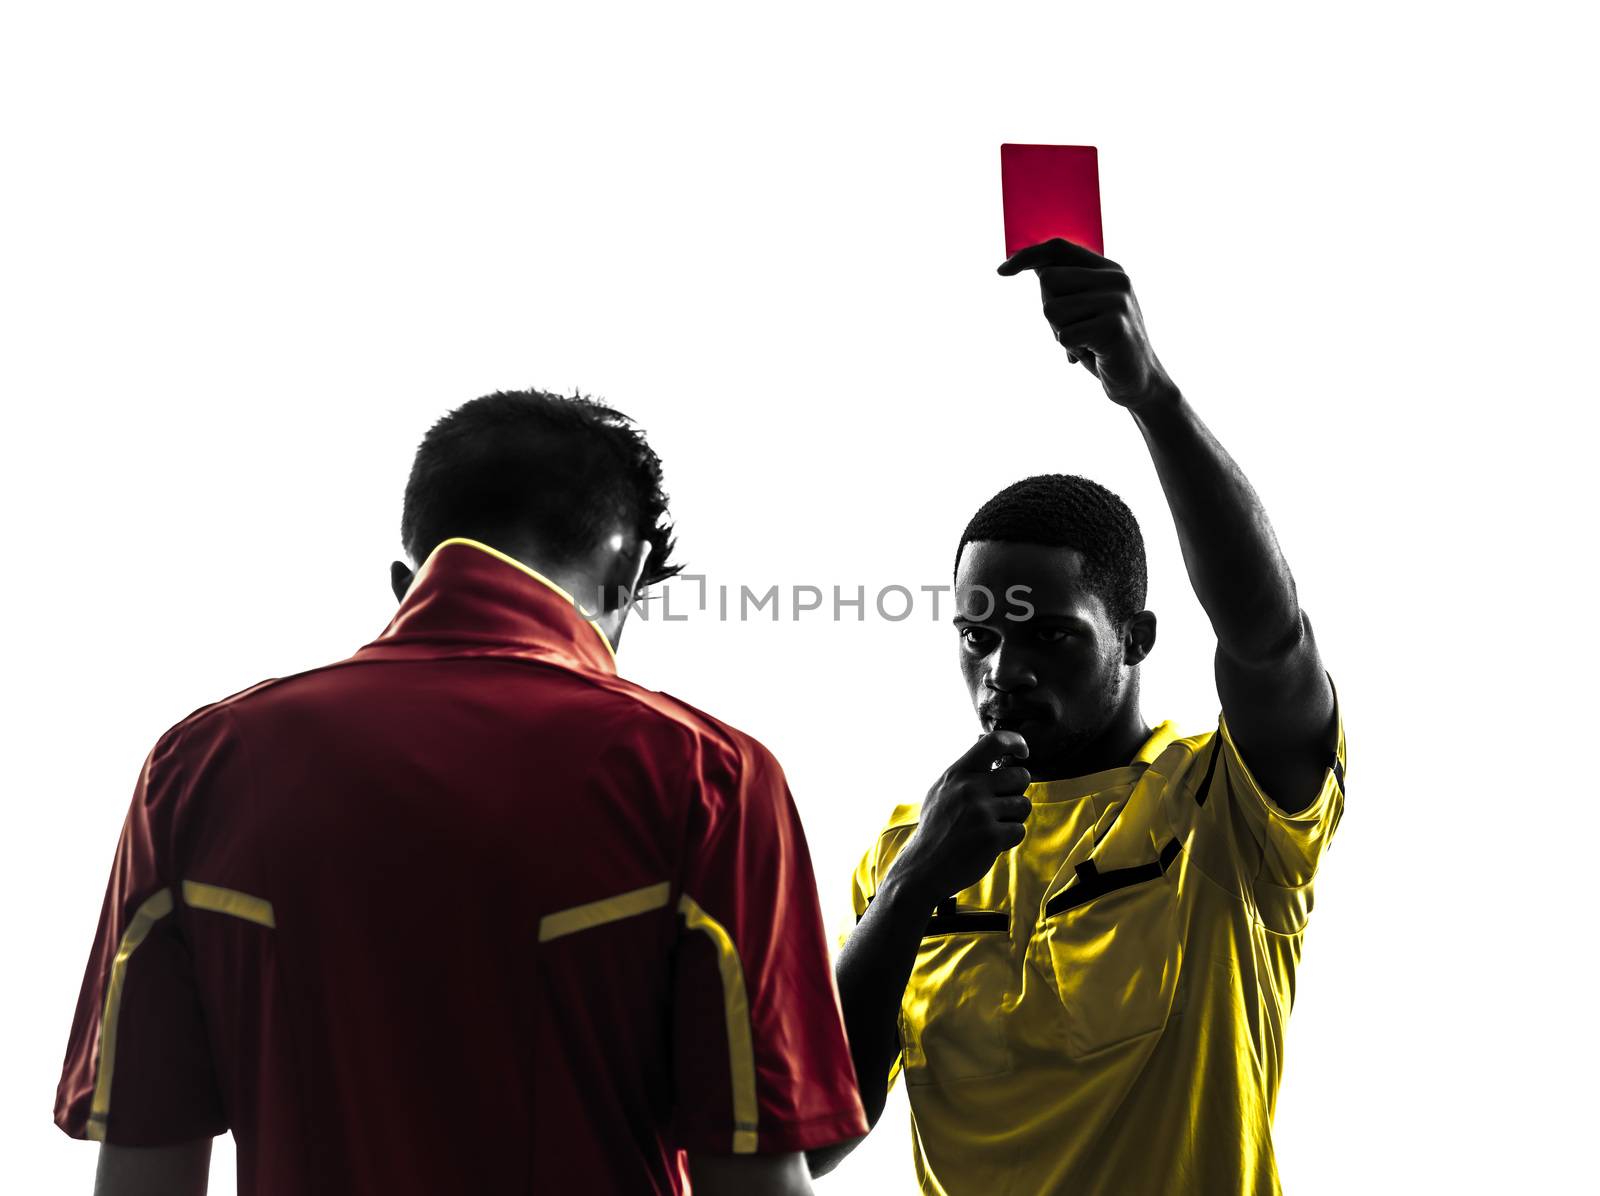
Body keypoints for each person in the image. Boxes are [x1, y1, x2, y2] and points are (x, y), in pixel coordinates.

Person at [55, 389, 867, 1196]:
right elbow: (753, 1174)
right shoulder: (707, 777)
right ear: (629, 575)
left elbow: (142, 1172)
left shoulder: (197, 768)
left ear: (404, 582)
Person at [812, 241, 1345, 1195]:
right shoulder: (908, 847)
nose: (1002, 670)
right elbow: (812, 1135)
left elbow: (1269, 641)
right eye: (976, 636)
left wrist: (1152, 396)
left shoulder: (1221, 807)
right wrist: (910, 888)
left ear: (1135, 637)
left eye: (1049, 638)